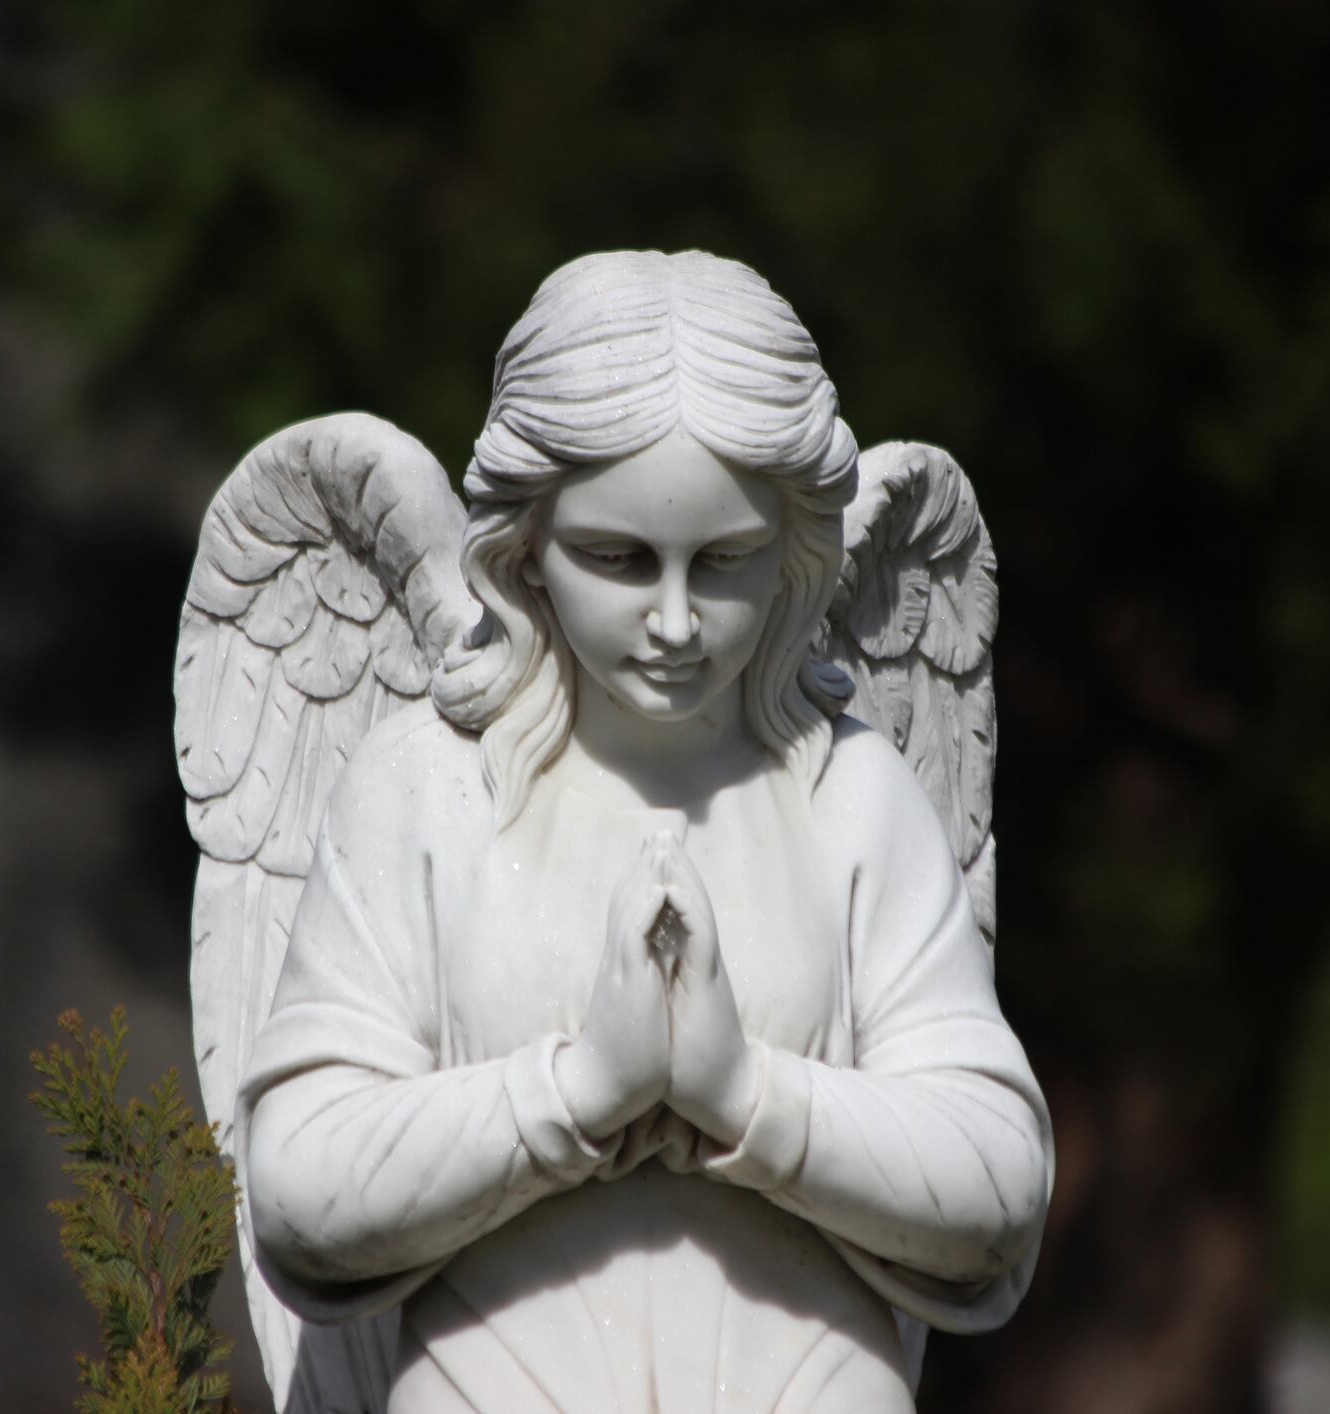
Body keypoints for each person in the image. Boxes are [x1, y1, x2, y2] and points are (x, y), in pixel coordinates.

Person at [236, 251, 1051, 1412]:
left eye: (723, 563)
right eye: (617, 559)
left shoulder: (852, 794)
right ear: (524, 546)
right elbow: (301, 1186)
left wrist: (743, 1095)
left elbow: (997, 1179)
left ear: (794, 553)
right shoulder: (426, 787)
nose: (673, 622)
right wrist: (577, 1092)